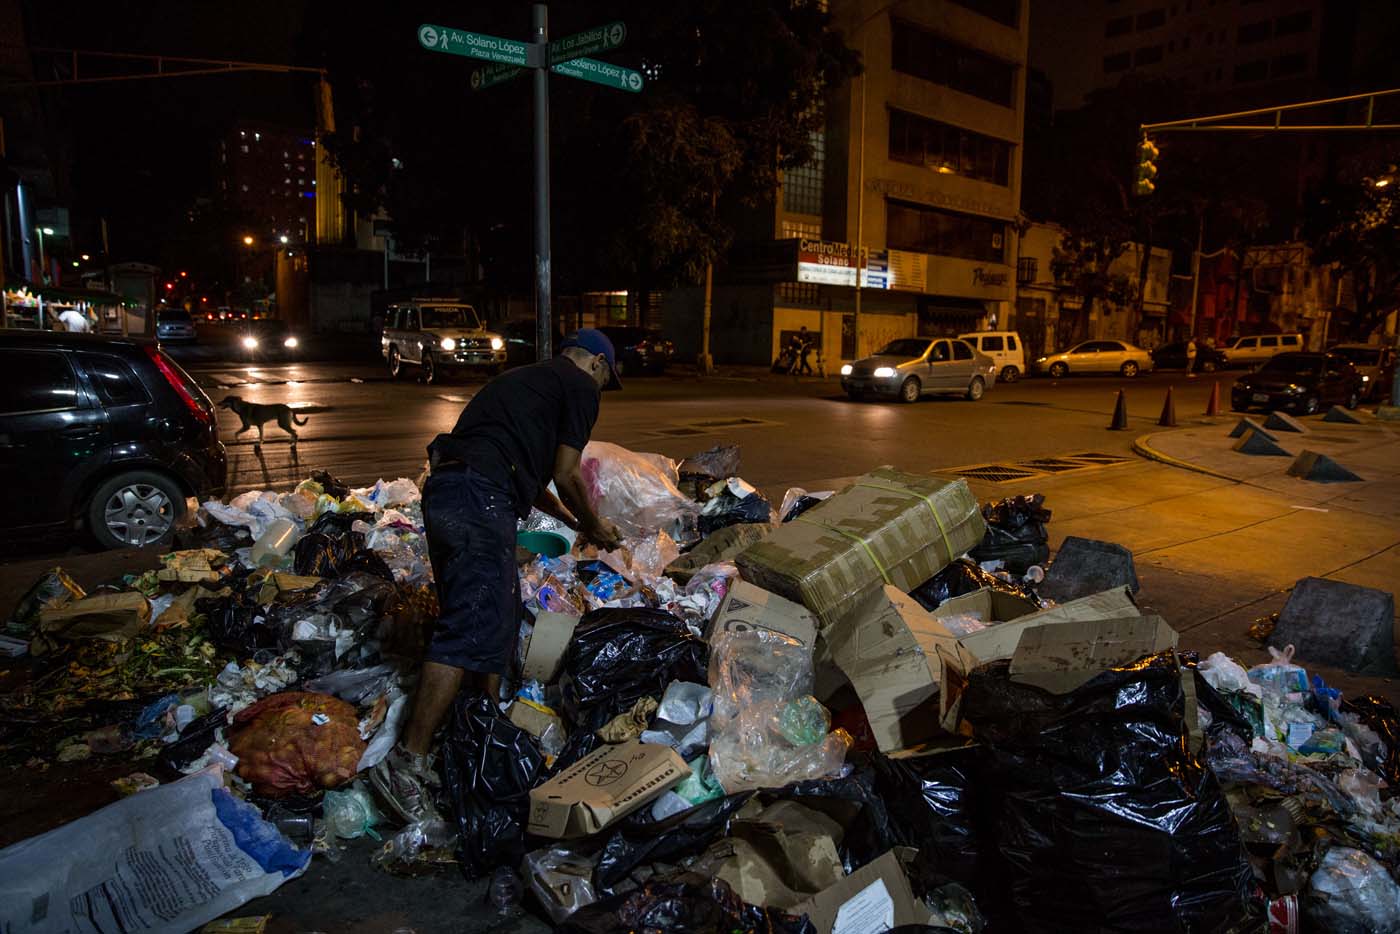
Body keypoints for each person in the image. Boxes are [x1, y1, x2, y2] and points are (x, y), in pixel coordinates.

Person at [371, 328, 624, 824]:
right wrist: (597, 525)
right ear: (596, 363)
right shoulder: (578, 387)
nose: (600, 389)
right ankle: (406, 762)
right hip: (479, 498)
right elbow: (568, 472)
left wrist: (572, 525)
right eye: (604, 379)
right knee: (470, 626)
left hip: (448, 491)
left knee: (494, 615)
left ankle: (476, 736)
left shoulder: (525, 380)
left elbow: (531, 481)